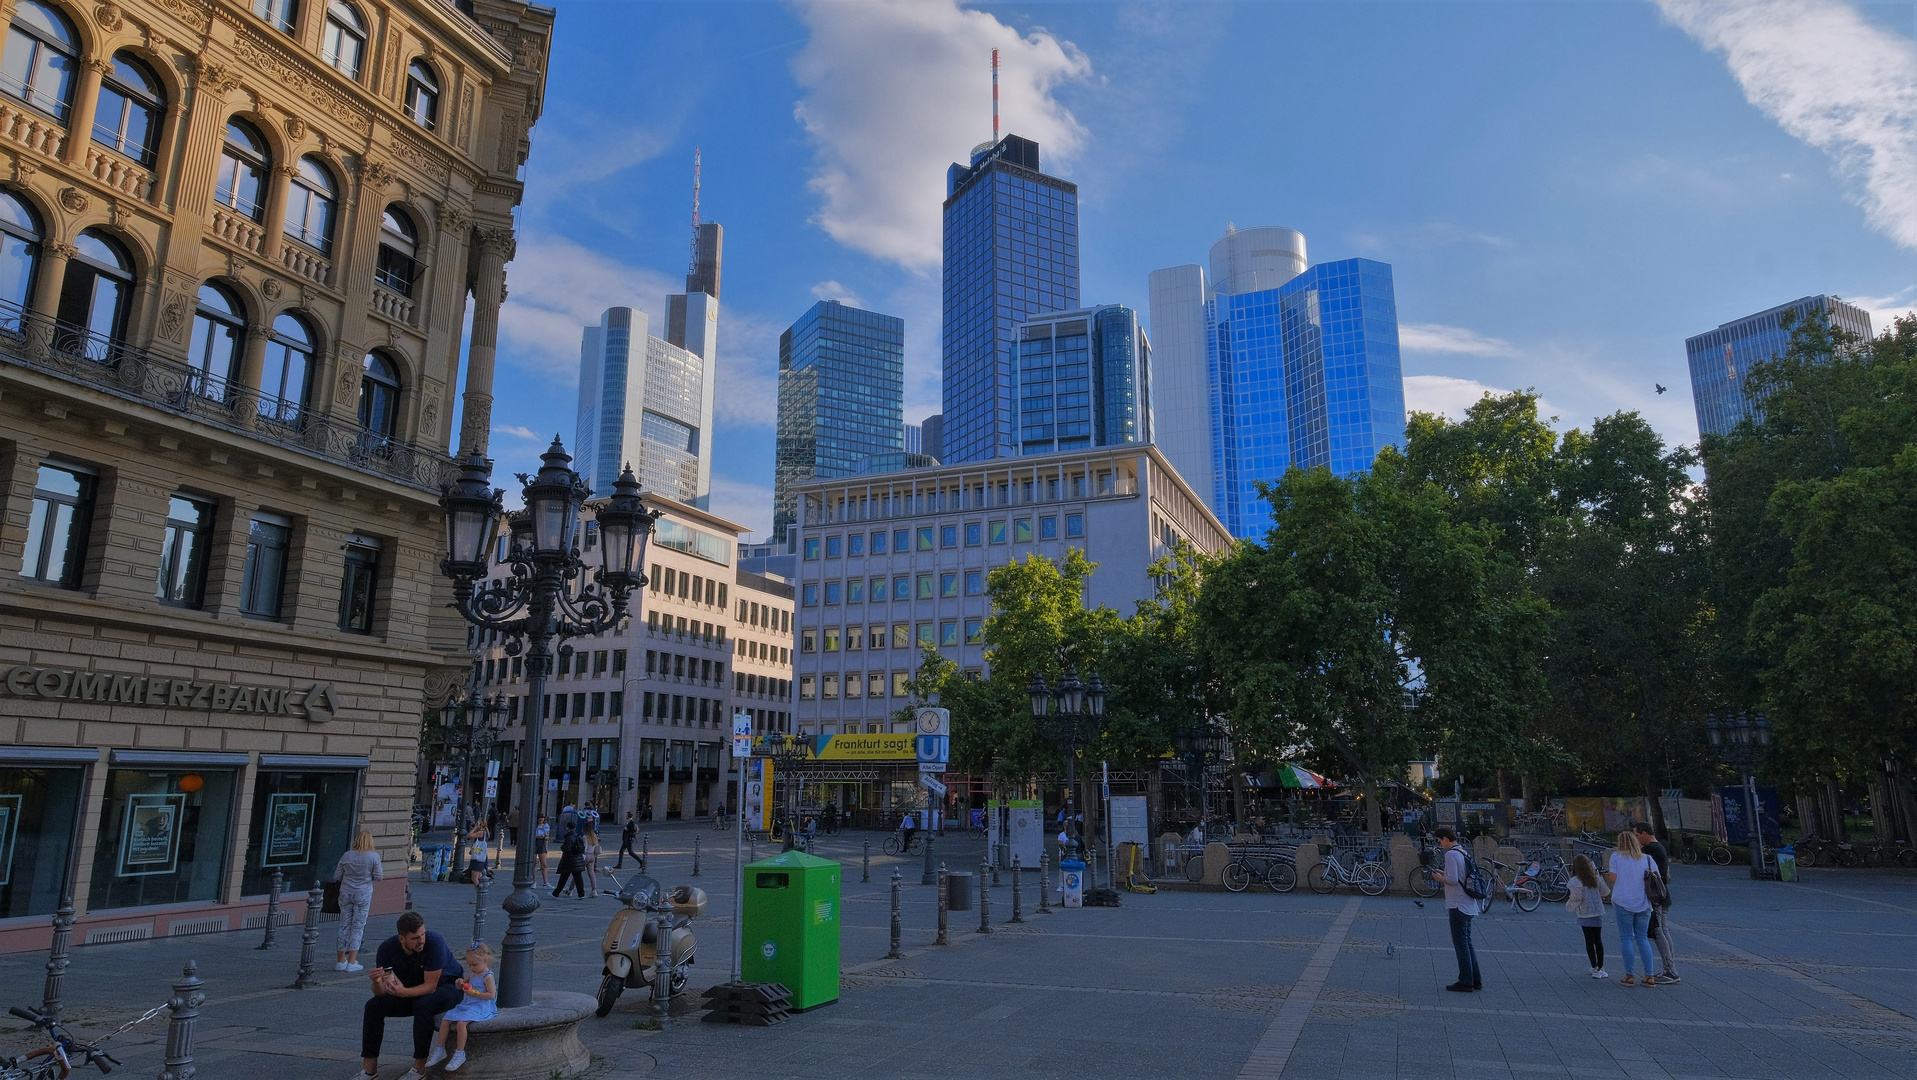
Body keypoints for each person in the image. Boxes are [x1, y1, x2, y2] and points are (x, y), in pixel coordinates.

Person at [353, 911, 463, 1080]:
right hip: (412, 991)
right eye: (415, 938)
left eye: (422, 934)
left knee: (423, 1004)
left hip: (448, 988)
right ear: (402, 939)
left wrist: (403, 992)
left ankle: (419, 1068)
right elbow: (383, 992)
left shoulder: (434, 942)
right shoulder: (387, 948)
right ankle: (369, 1070)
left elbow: (431, 987)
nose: (421, 941)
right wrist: (377, 982)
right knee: (373, 1006)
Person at [425, 943, 496, 1073]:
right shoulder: (472, 973)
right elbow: (463, 985)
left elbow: (491, 995)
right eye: (469, 965)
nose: (472, 968)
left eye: (474, 965)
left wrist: (475, 992)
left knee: (461, 1023)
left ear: (485, 961)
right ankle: (440, 1049)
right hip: (467, 1004)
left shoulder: (487, 976)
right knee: (446, 1020)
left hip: (481, 1006)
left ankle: (459, 1053)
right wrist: (460, 983)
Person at [1605, 829, 1659, 987]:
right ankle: (1649, 975)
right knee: (1643, 938)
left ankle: (1629, 975)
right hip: (1643, 902)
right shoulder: (1647, 859)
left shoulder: (1616, 857)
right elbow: (1655, 877)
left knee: (1626, 937)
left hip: (1623, 901)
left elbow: (1614, 877)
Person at [1429, 827, 1481, 992]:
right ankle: (1475, 979)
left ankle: (1465, 981)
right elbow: (1459, 875)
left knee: (1461, 944)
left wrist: (1439, 878)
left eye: (1440, 841)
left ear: (1445, 839)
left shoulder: (1451, 854)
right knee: (1467, 942)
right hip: (1469, 903)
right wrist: (1444, 873)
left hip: (1457, 903)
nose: (1440, 844)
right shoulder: (1462, 852)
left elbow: (1452, 880)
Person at [1632, 821, 1681, 983]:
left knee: (1659, 931)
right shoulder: (1659, 847)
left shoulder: (1649, 850)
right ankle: (1670, 968)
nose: (1636, 839)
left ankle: (1671, 970)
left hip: (1656, 897)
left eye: (1637, 835)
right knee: (1664, 930)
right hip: (1663, 895)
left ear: (1644, 833)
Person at [334, 828, 382, 972]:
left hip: (346, 893)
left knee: (344, 925)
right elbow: (379, 876)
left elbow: (337, 876)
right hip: (363, 893)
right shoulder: (373, 857)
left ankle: (340, 961)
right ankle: (352, 961)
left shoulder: (346, 856)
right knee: (358, 926)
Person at [1566, 854, 1611, 979]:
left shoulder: (1576, 881)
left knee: (1589, 940)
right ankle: (1601, 966)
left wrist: (1569, 905)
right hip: (1597, 911)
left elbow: (1577, 897)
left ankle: (1594, 966)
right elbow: (1606, 892)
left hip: (1584, 913)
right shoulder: (1595, 878)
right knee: (1598, 940)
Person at [552, 826, 587, 899]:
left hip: (569, 860)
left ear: (568, 828)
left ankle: (556, 893)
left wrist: (562, 847)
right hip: (577, 860)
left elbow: (567, 849)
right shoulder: (577, 836)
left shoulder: (569, 837)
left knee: (563, 877)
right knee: (578, 878)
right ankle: (581, 894)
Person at [580, 826, 601, 896]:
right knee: (591, 874)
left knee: (578, 873)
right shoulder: (594, 836)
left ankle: (570, 890)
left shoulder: (585, 837)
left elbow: (585, 848)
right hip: (593, 855)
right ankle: (594, 890)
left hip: (586, 855)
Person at [533, 815, 551, 887]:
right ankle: (534, 881)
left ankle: (545, 882)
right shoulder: (534, 826)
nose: (541, 822)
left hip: (542, 843)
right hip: (535, 843)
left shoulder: (546, 826)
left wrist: (545, 837)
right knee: (533, 864)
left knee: (544, 864)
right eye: (539, 820)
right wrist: (537, 836)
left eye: (542, 820)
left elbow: (547, 837)